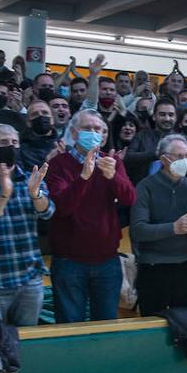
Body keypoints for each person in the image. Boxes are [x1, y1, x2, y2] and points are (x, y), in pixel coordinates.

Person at [45, 109, 137, 323]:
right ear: (75, 133)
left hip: (107, 261)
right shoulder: (59, 164)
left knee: (105, 326)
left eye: (98, 129)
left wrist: (113, 177)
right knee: (70, 327)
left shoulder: (112, 162)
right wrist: (84, 177)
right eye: (87, 129)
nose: (94, 133)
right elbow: (62, 207)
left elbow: (130, 199)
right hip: (69, 262)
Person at [0, 123, 54, 327]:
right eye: (4, 143)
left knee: (26, 344)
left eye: (14, 143)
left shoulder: (31, 178)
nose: (11, 147)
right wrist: (4, 194)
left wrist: (35, 194)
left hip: (29, 282)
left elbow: (47, 212)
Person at [129, 134, 187, 315]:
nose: (185, 161)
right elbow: (138, 230)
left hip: (185, 265)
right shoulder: (145, 186)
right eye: (179, 156)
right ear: (164, 159)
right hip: (153, 266)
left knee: (184, 322)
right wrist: (174, 228)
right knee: (152, 323)